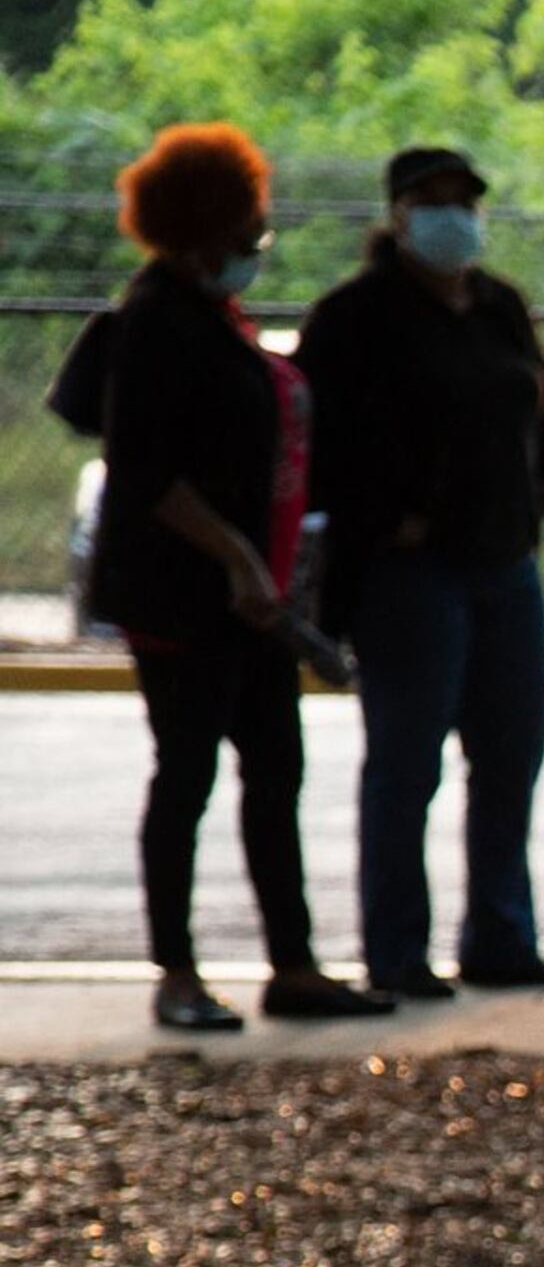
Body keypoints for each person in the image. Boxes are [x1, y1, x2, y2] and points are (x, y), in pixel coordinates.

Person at [84, 124, 393, 1034]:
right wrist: (236, 557)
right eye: (243, 228)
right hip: (182, 600)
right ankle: (175, 971)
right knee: (184, 777)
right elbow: (146, 473)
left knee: (276, 771)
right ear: (200, 226)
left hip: (252, 602)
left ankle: (292, 964)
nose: (254, 246)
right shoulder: (153, 323)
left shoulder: (218, 322)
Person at [295, 145, 544, 1000]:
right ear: (397, 214)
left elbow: (541, 409)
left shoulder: (497, 307)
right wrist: (391, 520)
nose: (453, 216)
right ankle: (395, 954)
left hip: (505, 564)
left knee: (510, 755)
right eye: (433, 200)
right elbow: (321, 442)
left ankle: (500, 938)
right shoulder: (355, 317)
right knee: (407, 764)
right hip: (410, 578)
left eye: (464, 199)